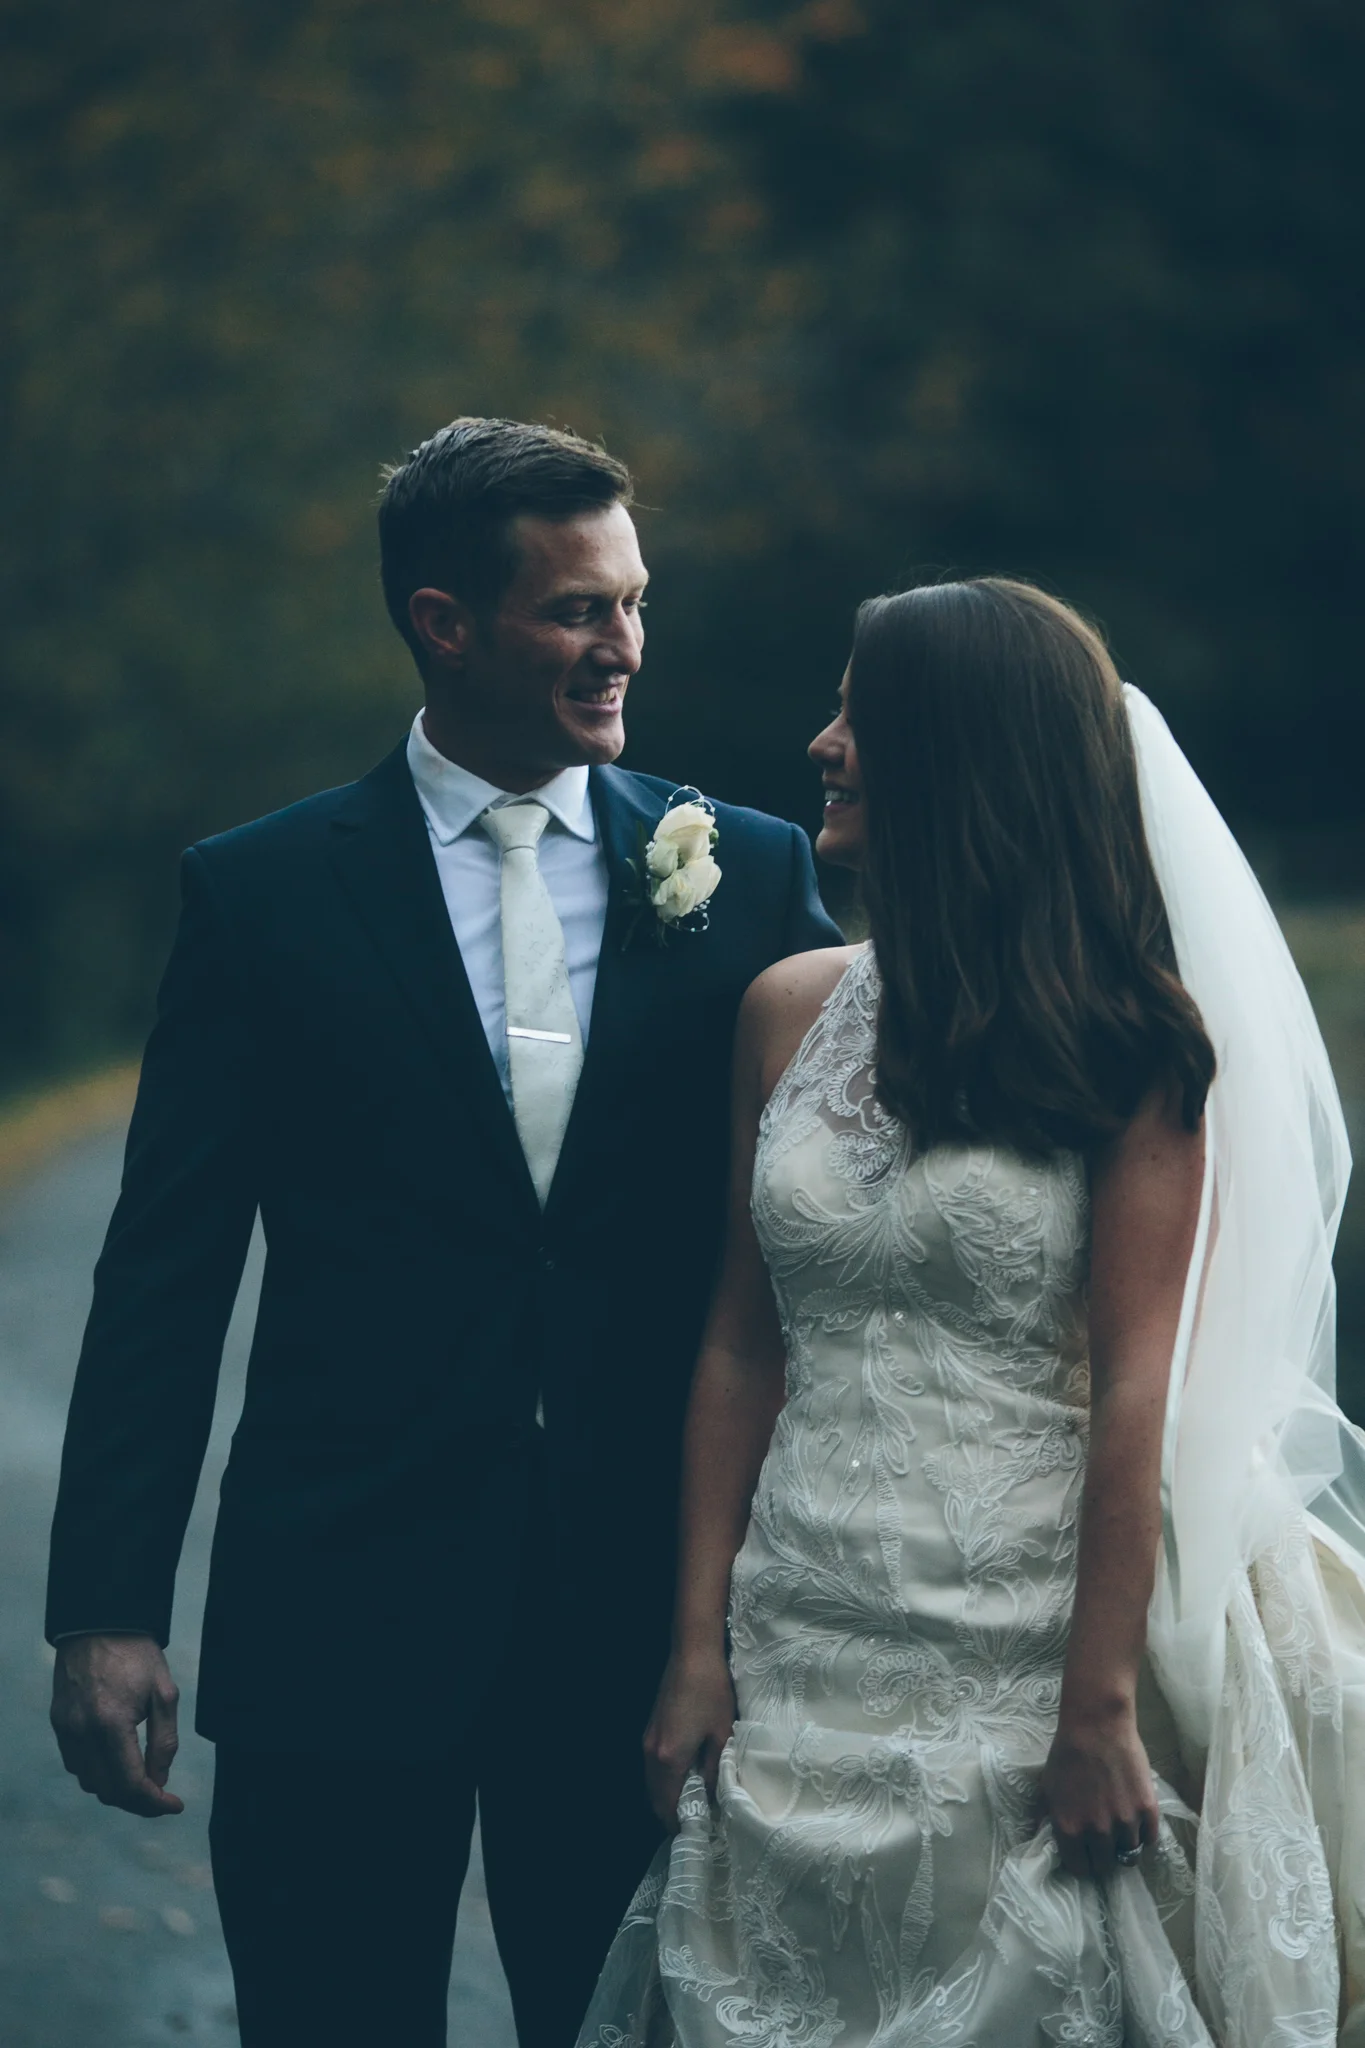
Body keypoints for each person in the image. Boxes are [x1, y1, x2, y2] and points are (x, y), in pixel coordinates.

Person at [44, 416, 843, 2048]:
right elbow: (164, 1274)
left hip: (642, 1622)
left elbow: (832, 1240)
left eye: (631, 601)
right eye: (577, 610)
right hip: (343, 1605)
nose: (625, 644)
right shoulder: (261, 894)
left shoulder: (746, 877)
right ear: (443, 622)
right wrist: (106, 1608)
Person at [578, 578, 1365, 2045]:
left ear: (961, 755)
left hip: (1020, 1636)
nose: (822, 745)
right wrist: (696, 1643)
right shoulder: (785, 1011)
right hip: (799, 1631)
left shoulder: (1132, 1050)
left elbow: (1141, 1388)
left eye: (858, 717)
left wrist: (1099, 1710)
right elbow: (741, 1344)